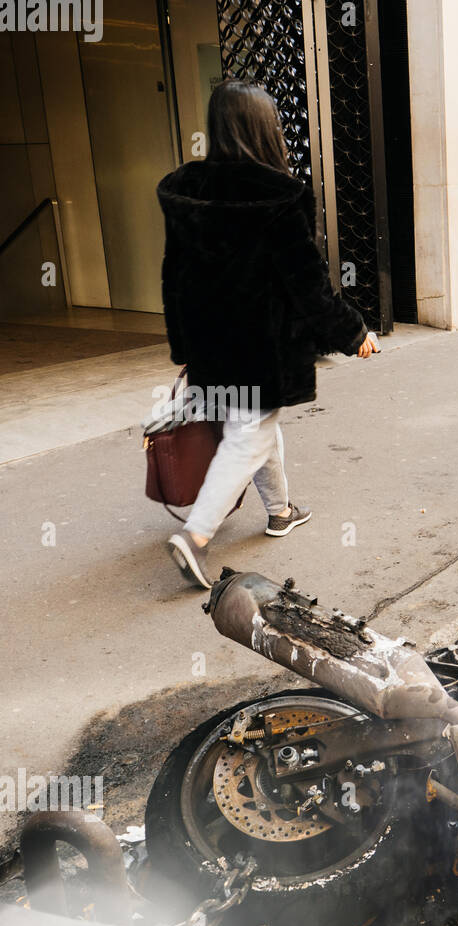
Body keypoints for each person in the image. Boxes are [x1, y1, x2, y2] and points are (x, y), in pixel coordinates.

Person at [156, 80, 378, 590]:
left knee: (256, 430)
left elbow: (174, 277)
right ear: (265, 128)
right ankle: (195, 537)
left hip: (212, 346)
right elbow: (308, 286)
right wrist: (354, 332)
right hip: (263, 350)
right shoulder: (280, 195)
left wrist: (182, 348)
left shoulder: (185, 188)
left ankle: (280, 511)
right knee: (247, 436)